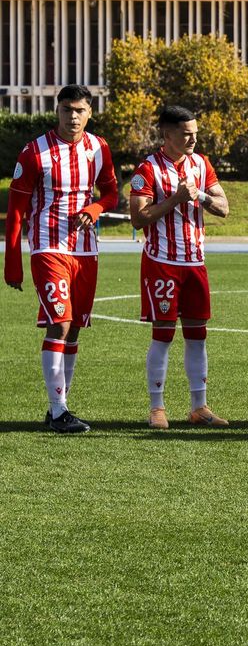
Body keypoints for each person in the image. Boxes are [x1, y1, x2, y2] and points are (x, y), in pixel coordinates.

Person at [5, 84, 119, 434]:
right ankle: (58, 411)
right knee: (61, 322)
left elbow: (113, 193)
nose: (73, 116)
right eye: (67, 109)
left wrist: (96, 207)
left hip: (85, 250)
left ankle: (60, 406)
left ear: (90, 112)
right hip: (48, 246)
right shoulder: (34, 152)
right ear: (57, 111)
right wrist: (12, 261)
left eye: (80, 110)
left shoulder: (98, 148)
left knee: (73, 332)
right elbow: (16, 210)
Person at [128, 105, 231, 430]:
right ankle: (157, 408)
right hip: (162, 264)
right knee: (163, 335)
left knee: (198, 336)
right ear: (167, 134)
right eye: (186, 134)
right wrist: (174, 199)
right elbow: (138, 217)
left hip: (195, 263)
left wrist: (198, 196)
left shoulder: (201, 164)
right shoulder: (148, 169)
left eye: (195, 133)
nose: (193, 139)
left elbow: (224, 208)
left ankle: (199, 406)